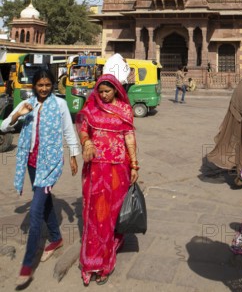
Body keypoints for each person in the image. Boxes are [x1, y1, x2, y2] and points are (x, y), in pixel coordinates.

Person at [0, 68, 79, 289]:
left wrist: (73, 155)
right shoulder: (28, 104)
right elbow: (3, 126)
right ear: (34, 86)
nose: (43, 89)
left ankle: (27, 266)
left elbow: (68, 131)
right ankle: (56, 238)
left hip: (50, 164)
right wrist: (18, 114)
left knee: (35, 213)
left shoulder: (60, 105)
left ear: (53, 85)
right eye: (39, 85)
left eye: (47, 85)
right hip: (31, 163)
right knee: (44, 204)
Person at [76, 74, 139, 285]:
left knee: (112, 216)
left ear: (116, 90)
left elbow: (129, 136)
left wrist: (134, 165)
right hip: (95, 168)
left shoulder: (124, 109)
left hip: (118, 169)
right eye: (100, 91)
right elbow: (83, 130)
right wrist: (86, 143)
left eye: (107, 91)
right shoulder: (92, 107)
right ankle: (90, 263)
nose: (103, 95)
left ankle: (106, 262)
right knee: (95, 217)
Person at [206, 69, 242, 184]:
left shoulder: (238, 89)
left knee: (240, 149)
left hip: (237, 125)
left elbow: (232, 108)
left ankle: (241, 174)